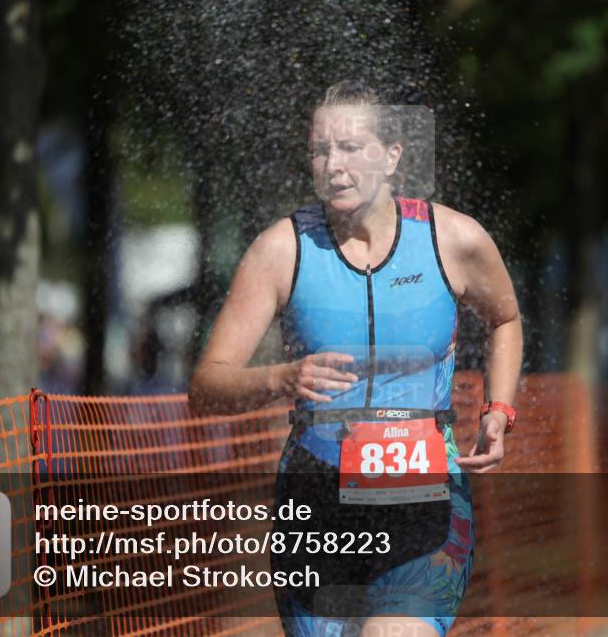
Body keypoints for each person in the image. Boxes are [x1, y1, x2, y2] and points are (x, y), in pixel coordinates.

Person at [189, 80, 522, 637]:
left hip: (425, 495)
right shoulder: (282, 250)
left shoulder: (453, 240)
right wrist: (281, 377)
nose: (332, 165)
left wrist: (500, 409)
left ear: (392, 156)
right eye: (320, 150)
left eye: (349, 147)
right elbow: (206, 387)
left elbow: (505, 319)